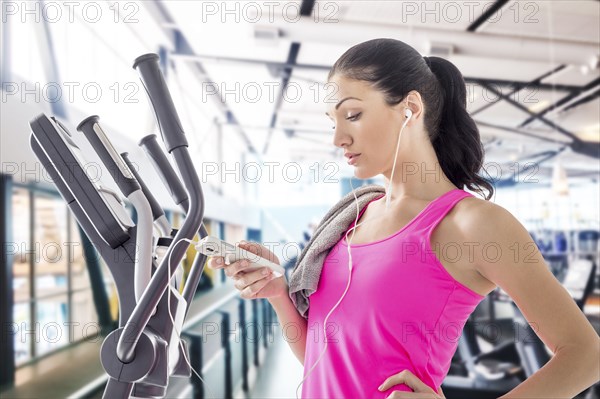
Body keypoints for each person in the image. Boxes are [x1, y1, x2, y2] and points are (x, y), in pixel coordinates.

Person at [207, 38, 600, 398]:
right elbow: (321, 361)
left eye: (353, 115)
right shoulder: (354, 217)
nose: (337, 138)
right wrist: (279, 292)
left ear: (410, 109)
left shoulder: (472, 223)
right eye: (333, 122)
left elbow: (585, 355)